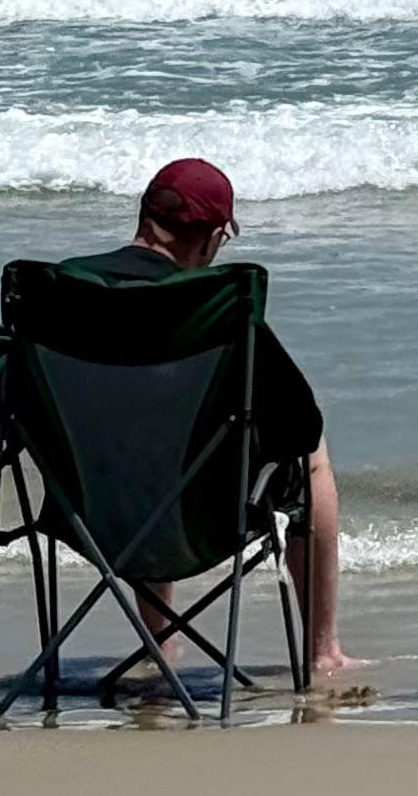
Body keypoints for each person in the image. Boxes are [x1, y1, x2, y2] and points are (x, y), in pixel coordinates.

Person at [84, 156, 364, 689]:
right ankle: (323, 650)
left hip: (87, 505)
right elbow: (300, 420)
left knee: (140, 444)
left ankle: (160, 639)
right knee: (312, 455)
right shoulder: (212, 306)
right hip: (197, 516)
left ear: (143, 216)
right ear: (212, 239)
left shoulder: (62, 292)